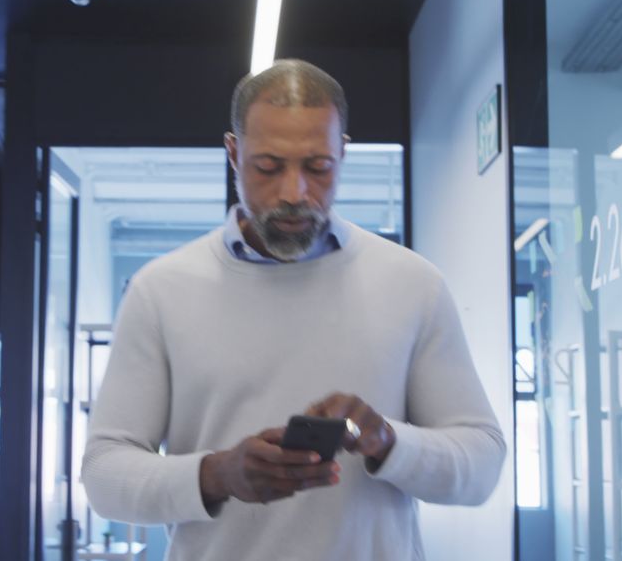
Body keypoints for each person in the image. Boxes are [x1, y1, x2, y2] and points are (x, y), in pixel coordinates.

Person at [82, 59, 506, 561]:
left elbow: (482, 466)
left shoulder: (413, 284)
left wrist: (388, 441)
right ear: (234, 153)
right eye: (268, 167)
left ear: (343, 154)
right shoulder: (161, 290)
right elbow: (104, 475)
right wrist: (217, 474)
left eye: (317, 167)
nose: (293, 193)